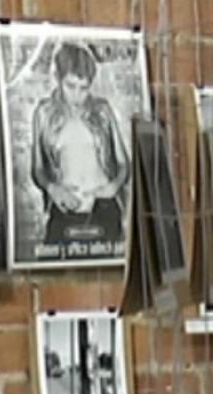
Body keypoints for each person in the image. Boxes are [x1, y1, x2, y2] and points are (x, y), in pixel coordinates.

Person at [31, 42, 129, 247]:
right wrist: (53, 189)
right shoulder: (43, 113)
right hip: (65, 206)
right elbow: (37, 169)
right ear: (58, 79)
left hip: (104, 206)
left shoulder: (103, 110)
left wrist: (113, 186)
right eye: (71, 86)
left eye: (83, 88)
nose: (77, 95)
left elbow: (123, 163)